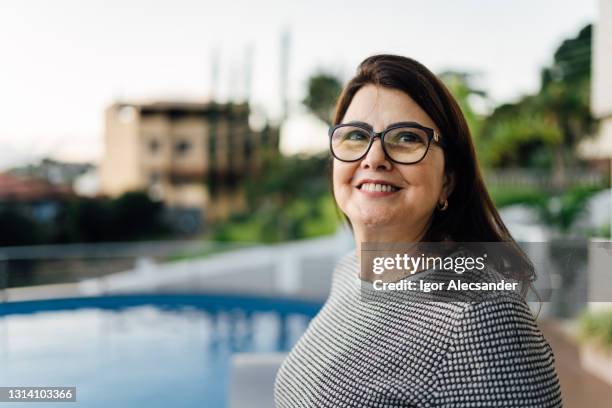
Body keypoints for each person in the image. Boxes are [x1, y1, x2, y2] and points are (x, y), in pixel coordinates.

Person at [273, 54, 563, 407]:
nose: (374, 157)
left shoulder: (482, 315)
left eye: (407, 137)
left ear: (448, 182)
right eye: (355, 135)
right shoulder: (349, 271)